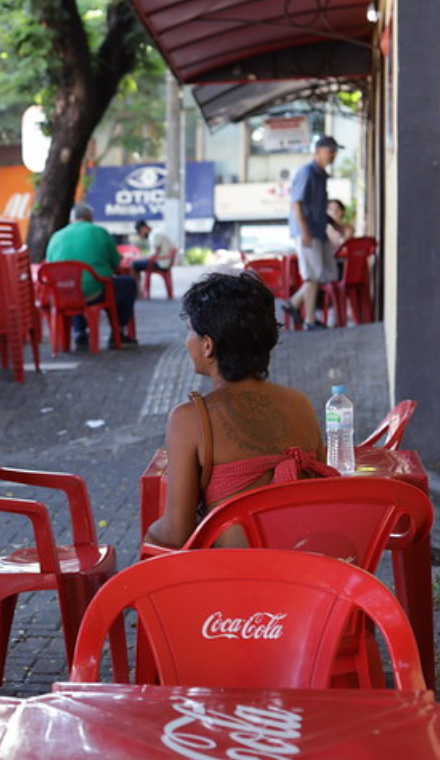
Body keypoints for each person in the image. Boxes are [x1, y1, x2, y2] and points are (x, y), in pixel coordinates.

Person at [145, 272, 339, 548]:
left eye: (190, 330)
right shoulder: (300, 404)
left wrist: (148, 535)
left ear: (208, 344)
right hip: (304, 571)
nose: (187, 340)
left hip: (236, 582)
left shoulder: (190, 420)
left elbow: (177, 533)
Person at [45, 204, 138, 347]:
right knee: (128, 284)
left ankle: (79, 332)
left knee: (74, 285)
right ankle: (117, 332)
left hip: (63, 293)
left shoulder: (56, 236)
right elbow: (115, 263)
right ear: (91, 219)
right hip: (95, 291)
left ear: (72, 220)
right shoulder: (100, 232)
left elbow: (50, 265)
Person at [284, 136, 342, 330]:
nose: (333, 154)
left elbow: (321, 207)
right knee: (313, 275)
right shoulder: (306, 172)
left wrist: (335, 225)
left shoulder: (322, 175)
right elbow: (296, 204)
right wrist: (304, 231)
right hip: (307, 231)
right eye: (329, 150)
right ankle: (308, 320)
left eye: (335, 151)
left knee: (325, 273)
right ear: (318, 151)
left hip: (319, 231)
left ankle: (294, 303)